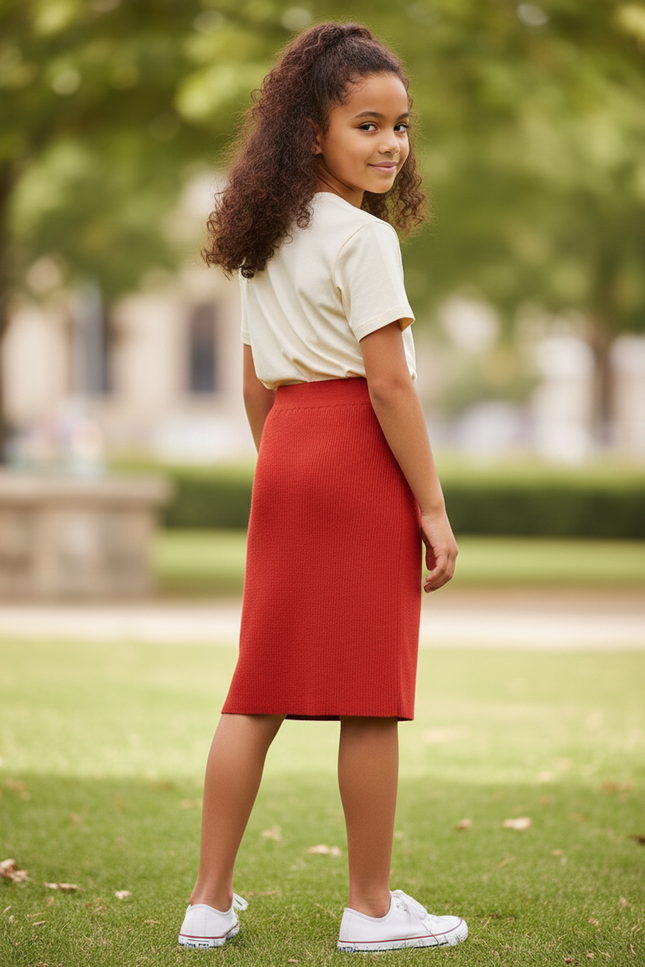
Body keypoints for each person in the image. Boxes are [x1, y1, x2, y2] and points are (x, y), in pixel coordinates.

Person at [178, 21, 468, 954]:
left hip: (288, 452)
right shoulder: (364, 239)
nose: (390, 145)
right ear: (313, 132)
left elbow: (254, 384)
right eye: (367, 125)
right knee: (369, 693)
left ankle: (208, 903)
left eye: (400, 126)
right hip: (353, 452)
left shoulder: (264, 237)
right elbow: (388, 385)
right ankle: (370, 908)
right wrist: (430, 506)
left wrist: (285, 469)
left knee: (254, 686)